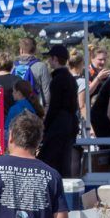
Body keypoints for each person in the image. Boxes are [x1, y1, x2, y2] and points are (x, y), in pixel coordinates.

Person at [38, 45, 79, 178]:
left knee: (47, 161)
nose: (49, 61)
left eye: (50, 58)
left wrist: (46, 126)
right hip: (70, 124)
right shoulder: (70, 78)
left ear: (55, 59)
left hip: (58, 125)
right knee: (64, 163)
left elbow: (54, 106)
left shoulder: (57, 80)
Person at [14, 36, 50, 109]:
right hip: (35, 109)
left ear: (21, 50)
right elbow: (46, 92)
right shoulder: (41, 66)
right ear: (35, 50)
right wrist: (46, 109)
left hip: (16, 109)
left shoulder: (13, 66)